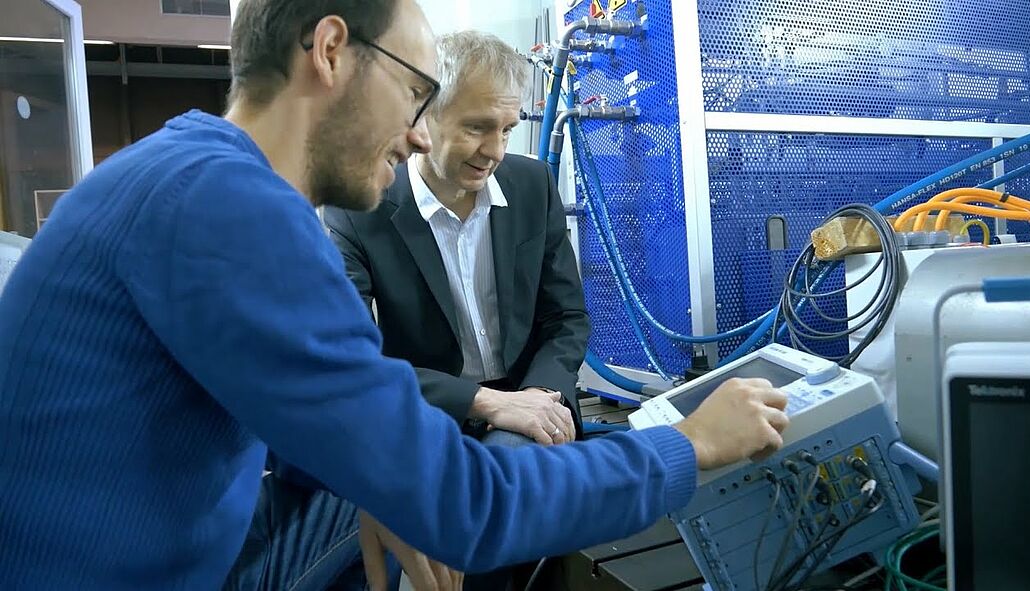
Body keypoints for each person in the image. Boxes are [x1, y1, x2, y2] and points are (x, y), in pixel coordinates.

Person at [0, 1, 791, 591]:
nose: (419, 133)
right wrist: (691, 444)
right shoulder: (223, 205)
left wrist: (364, 477)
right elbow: (469, 507)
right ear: (333, 50)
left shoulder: (190, 173)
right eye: (417, 93)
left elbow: (287, 426)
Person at [323, 31, 586, 451]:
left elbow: (566, 318)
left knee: (509, 461)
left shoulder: (532, 185)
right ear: (421, 114)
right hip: (428, 411)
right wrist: (485, 403)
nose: (496, 151)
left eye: (507, 129)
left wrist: (539, 397)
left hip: (533, 398)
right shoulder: (359, 208)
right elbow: (349, 355)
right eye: (477, 128)